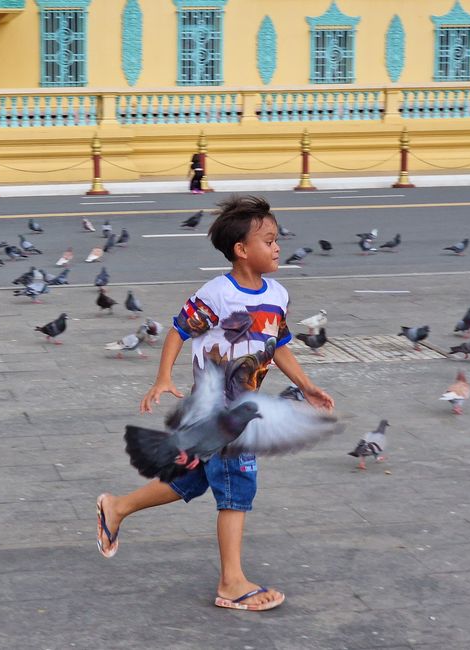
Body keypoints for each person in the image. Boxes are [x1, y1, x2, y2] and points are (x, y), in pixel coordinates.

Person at [95, 195, 334, 611]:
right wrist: (163, 376)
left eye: (278, 240)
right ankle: (231, 582)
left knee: (195, 480)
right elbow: (177, 331)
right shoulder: (217, 294)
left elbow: (278, 345)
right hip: (219, 416)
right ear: (242, 250)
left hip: (241, 412)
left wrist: (307, 386)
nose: (278, 247)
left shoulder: (277, 295)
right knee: (237, 486)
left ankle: (117, 507)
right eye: (270, 240)